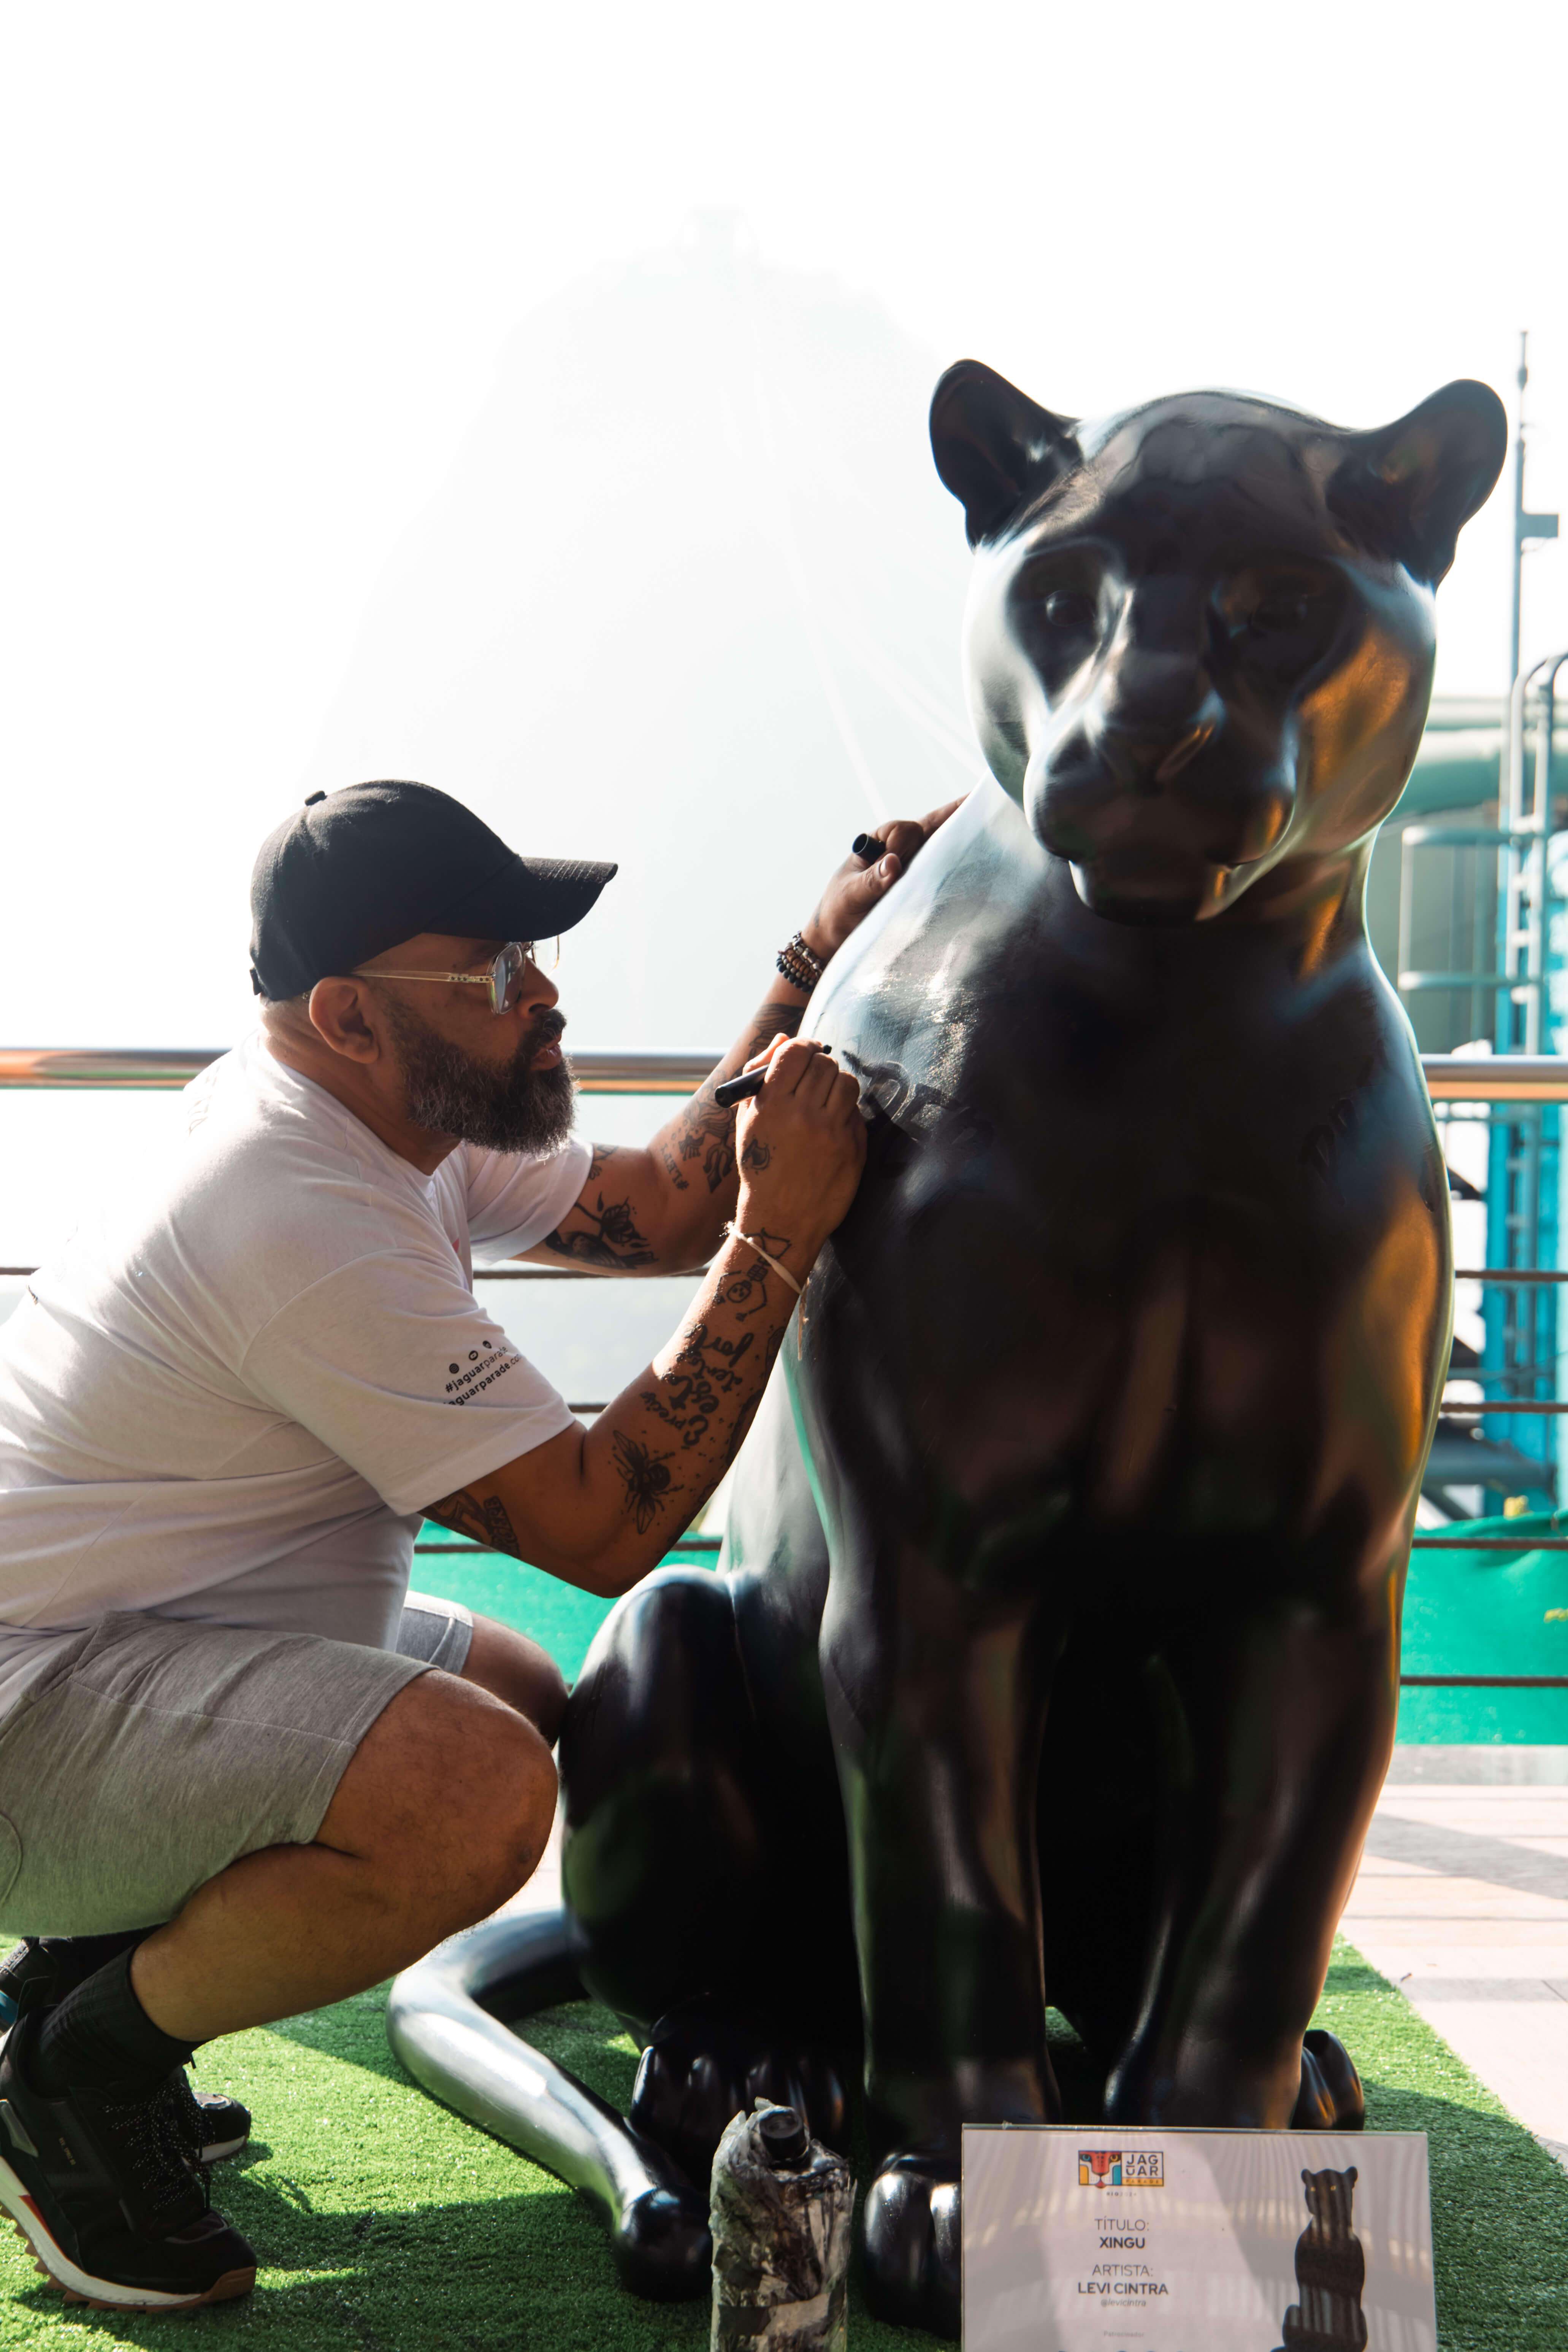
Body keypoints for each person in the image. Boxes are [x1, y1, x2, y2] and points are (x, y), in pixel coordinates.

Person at [0, 777, 956, 2312]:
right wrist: (780, 1240)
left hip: (130, 1626)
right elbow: (606, 1521)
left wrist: (812, 952)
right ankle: (75, 2065)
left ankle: (78, 1964)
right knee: (475, 1793)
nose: (548, 995)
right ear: (350, 1013)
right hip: (32, 1712)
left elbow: (656, 1206)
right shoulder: (297, 1208)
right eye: (502, 972)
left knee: (514, 1689)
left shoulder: (396, 1115)